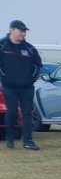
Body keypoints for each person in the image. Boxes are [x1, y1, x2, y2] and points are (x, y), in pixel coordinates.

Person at [1, 19, 43, 150]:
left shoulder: (30, 48)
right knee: (12, 112)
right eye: (21, 31)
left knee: (27, 113)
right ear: (12, 30)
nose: (24, 34)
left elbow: (38, 65)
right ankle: (10, 139)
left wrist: (32, 79)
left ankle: (28, 141)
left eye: (25, 31)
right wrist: (3, 77)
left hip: (27, 87)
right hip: (9, 86)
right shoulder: (2, 46)